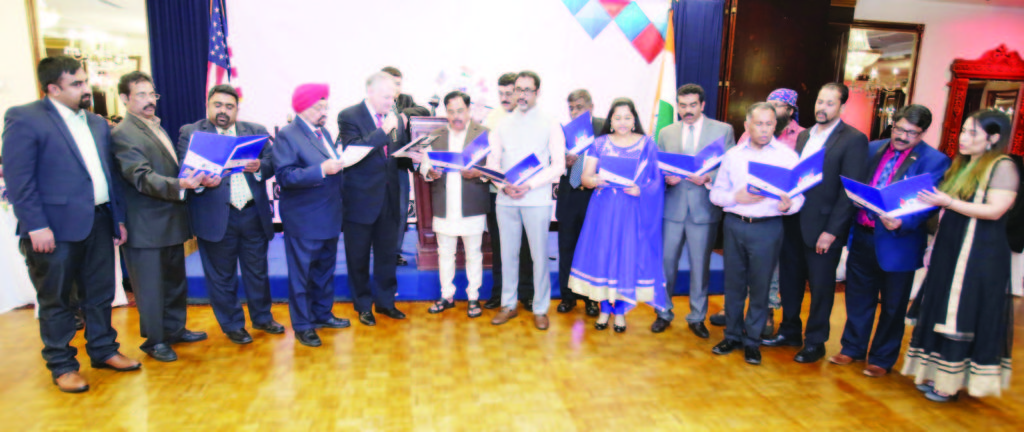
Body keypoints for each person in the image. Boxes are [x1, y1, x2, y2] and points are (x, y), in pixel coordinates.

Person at [2, 56, 139, 392]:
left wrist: (117, 219)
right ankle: (62, 364)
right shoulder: (25, 118)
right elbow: (19, 180)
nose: (86, 88)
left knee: (100, 294)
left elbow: (108, 176)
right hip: (53, 229)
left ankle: (104, 349)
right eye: (76, 83)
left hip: (98, 220)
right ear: (53, 88)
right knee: (57, 300)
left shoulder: (94, 123)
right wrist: (35, 225)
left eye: (84, 81)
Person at [904, 110, 1018, 402]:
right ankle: (934, 373)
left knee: (961, 312)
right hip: (952, 247)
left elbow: (995, 210)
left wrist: (948, 201)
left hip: (979, 253)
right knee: (941, 306)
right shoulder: (965, 164)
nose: (962, 138)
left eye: (972, 133)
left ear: (993, 138)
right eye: (963, 131)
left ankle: (950, 383)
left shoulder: (1003, 166)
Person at [829, 105, 949, 377]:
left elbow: (928, 204)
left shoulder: (934, 160)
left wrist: (903, 222)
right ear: (892, 124)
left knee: (893, 305)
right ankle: (852, 348)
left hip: (899, 241)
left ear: (923, 133)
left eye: (912, 133)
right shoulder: (872, 148)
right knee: (858, 297)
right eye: (900, 129)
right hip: (863, 234)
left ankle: (882, 359)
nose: (903, 137)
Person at [763, 82, 868, 364]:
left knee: (821, 287)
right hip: (794, 220)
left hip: (823, 228)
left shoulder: (853, 139)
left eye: (830, 103)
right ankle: (790, 331)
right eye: (820, 102)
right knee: (790, 280)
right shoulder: (805, 135)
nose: (822, 108)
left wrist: (832, 232)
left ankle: (816, 341)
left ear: (842, 107)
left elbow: (850, 191)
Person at [112, 71, 212, 362]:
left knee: (173, 281)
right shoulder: (124, 134)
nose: (149, 101)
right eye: (140, 95)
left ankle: (175, 329)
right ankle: (155, 341)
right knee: (151, 287)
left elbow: (168, 169)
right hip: (145, 225)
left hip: (169, 220)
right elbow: (140, 177)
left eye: (152, 94)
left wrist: (194, 175)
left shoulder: (155, 126)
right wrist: (180, 184)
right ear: (124, 99)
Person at [177, 84, 285, 345]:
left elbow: (272, 164)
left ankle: (262, 318)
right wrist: (201, 180)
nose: (223, 111)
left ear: (237, 108)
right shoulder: (191, 133)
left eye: (229, 106)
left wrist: (260, 166)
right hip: (215, 218)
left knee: (257, 271)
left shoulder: (255, 131)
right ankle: (233, 325)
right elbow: (183, 169)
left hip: (251, 214)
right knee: (221, 276)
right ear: (208, 105)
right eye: (218, 105)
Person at [709, 103, 804, 365]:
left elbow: (799, 197)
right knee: (734, 285)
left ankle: (752, 342)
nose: (764, 129)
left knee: (761, 287)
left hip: (768, 227)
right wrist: (734, 197)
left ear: (776, 125)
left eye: (769, 124)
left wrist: (790, 205)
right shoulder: (733, 155)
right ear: (747, 125)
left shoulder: (787, 157)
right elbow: (716, 195)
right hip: (735, 224)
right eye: (759, 124)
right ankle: (731, 336)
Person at [568, 97, 666, 332]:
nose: (622, 122)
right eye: (617, 117)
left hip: (632, 211)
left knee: (626, 258)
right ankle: (604, 310)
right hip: (603, 211)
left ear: (634, 120)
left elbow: (658, 181)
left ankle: (620, 312)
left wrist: (641, 189)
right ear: (610, 121)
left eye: (627, 117)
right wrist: (594, 180)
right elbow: (584, 177)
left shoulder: (647, 144)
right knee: (602, 257)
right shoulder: (599, 143)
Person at [486, 71, 565, 330]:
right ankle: (508, 305)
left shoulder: (550, 123)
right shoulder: (502, 124)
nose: (521, 95)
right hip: (506, 199)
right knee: (507, 254)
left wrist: (528, 185)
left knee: (539, 256)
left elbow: (559, 166)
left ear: (537, 92)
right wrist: (502, 185)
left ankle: (541, 308)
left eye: (527, 90)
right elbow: (492, 162)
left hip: (537, 199)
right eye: (518, 89)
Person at [273, 83, 350, 347]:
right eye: (319, 106)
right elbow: (284, 176)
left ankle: (322, 314)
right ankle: (303, 325)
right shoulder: (288, 135)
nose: (324, 111)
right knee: (302, 274)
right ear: (303, 107)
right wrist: (321, 170)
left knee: (324, 271)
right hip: (304, 218)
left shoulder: (324, 132)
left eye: (325, 105)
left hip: (329, 214)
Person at [657, 84, 736, 338]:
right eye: (682, 105)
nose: (687, 111)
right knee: (666, 265)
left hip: (704, 208)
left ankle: (697, 316)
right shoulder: (666, 132)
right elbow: (658, 166)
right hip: (673, 208)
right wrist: (665, 177)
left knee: (700, 266)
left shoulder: (722, 130)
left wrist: (708, 177)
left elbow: (731, 167)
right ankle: (663, 312)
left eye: (692, 105)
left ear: (702, 105)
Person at [338, 72, 411, 326]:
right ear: (370, 92)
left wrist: (415, 155)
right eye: (386, 96)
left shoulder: (394, 118)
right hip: (360, 199)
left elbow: (396, 153)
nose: (391, 102)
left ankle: (386, 302)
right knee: (357, 256)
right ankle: (362, 305)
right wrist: (384, 130)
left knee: (387, 254)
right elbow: (353, 152)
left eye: (393, 96)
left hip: (389, 198)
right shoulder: (349, 116)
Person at [419, 91, 490, 317]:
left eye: (460, 110)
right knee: (445, 253)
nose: (456, 116)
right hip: (444, 203)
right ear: (445, 113)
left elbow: (494, 168)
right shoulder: (436, 136)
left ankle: (473, 297)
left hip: (472, 203)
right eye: (451, 111)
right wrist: (430, 171)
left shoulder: (484, 134)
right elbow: (424, 168)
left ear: (468, 110)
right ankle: (446, 295)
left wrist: (479, 172)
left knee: (473, 253)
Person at [482, 72, 535, 311]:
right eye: (500, 93)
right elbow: (486, 158)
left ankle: (527, 293)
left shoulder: (531, 118)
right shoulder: (491, 120)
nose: (504, 98)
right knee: (500, 245)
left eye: (509, 93)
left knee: (525, 245)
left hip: (526, 193)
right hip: (498, 193)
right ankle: (500, 294)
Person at [556, 89, 602, 317]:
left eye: (579, 107)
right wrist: (563, 162)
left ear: (591, 107)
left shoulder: (604, 128)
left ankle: (591, 300)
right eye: (571, 108)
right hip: (568, 195)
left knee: (591, 249)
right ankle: (567, 297)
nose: (574, 112)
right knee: (566, 247)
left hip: (594, 196)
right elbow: (551, 162)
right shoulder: (562, 132)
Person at [381, 66, 430, 266]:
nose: (395, 88)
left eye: (398, 84)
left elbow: (424, 111)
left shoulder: (405, 101)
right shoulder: (376, 103)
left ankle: (395, 252)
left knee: (401, 210)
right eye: (391, 84)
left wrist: (403, 115)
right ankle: (380, 250)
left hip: (400, 165)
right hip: (378, 168)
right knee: (380, 212)